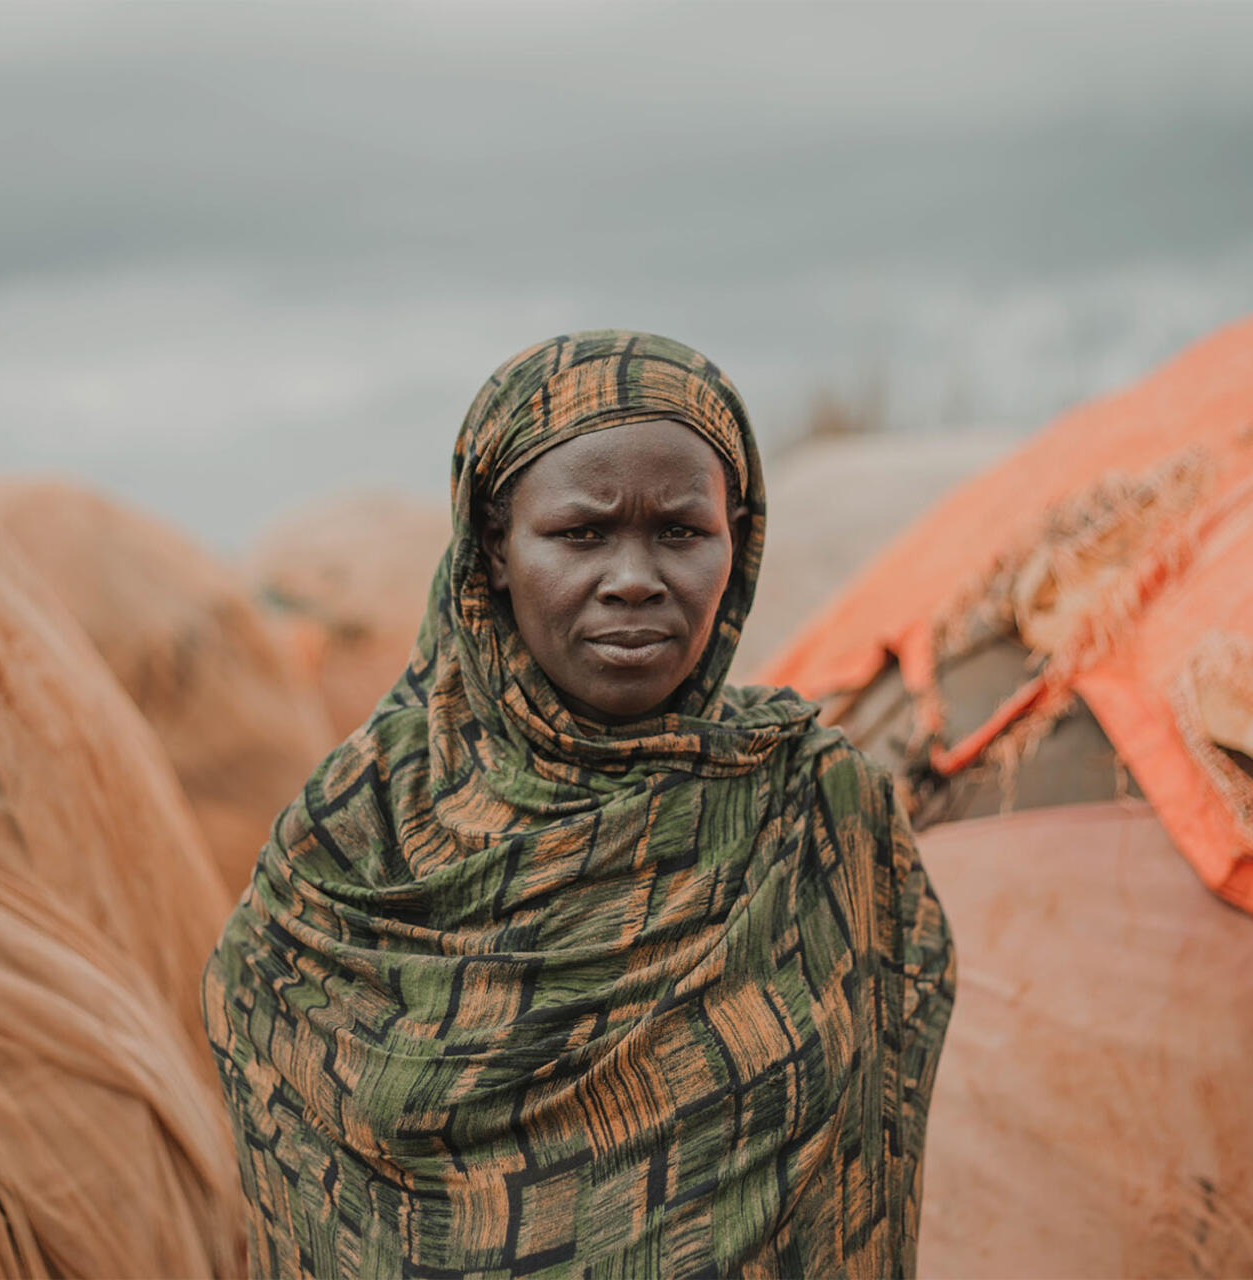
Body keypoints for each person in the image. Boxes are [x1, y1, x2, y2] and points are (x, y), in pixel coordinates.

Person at [202, 330, 955, 1279]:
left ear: (739, 541)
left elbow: (871, 1116)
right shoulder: (361, 832)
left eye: (682, 532)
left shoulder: (812, 800)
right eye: (581, 534)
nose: (635, 579)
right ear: (496, 550)